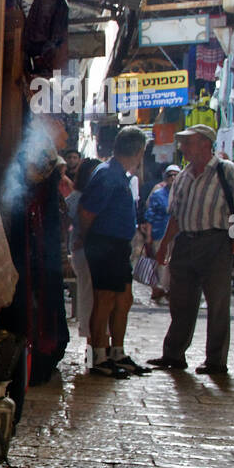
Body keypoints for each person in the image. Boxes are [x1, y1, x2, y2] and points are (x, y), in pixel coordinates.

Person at [148, 124, 234, 376]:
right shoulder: (184, 175)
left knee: (217, 302)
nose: (183, 147)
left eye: (189, 142)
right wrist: (166, 243)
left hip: (216, 241)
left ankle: (216, 360)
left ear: (205, 144)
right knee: (180, 300)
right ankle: (173, 354)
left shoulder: (226, 171)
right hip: (186, 242)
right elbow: (175, 214)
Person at [78, 127, 150, 377]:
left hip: (117, 245)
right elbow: (87, 213)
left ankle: (116, 352)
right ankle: (98, 356)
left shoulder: (121, 174)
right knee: (104, 299)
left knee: (123, 298)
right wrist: (85, 239)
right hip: (104, 243)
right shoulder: (107, 174)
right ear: (139, 151)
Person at [66, 157, 101, 352]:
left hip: (84, 253)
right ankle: (91, 348)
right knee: (90, 298)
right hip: (84, 253)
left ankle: (94, 346)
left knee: (90, 297)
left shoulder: (77, 197)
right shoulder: (80, 197)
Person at [142, 165, 181, 303]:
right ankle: (161, 291)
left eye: (176, 175)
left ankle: (172, 291)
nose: (173, 178)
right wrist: (149, 235)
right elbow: (150, 215)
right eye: (170, 175)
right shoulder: (158, 194)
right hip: (160, 233)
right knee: (161, 265)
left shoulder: (182, 194)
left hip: (178, 236)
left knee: (175, 265)